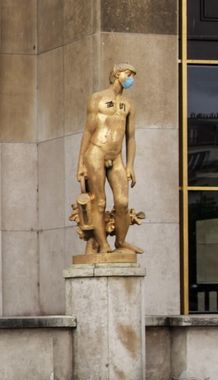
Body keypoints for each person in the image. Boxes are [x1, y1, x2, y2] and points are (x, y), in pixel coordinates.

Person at [76, 62, 140, 254]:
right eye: (128, 74)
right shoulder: (97, 98)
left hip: (116, 156)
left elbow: (131, 137)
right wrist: (80, 164)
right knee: (99, 201)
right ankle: (102, 245)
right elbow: (87, 131)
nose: (131, 79)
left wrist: (130, 165)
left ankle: (120, 242)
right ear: (117, 74)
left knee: (122, 202)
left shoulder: (128, 104)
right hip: (96, 153)